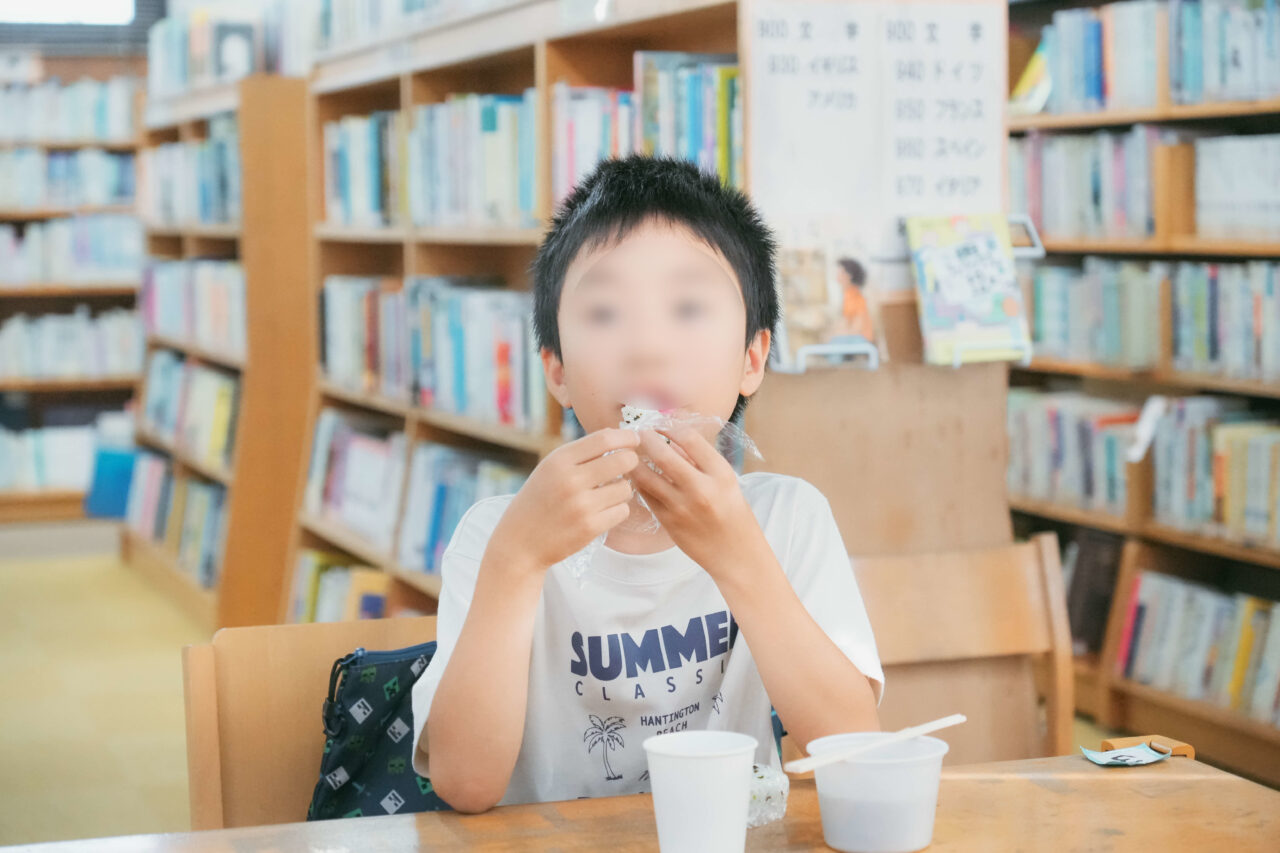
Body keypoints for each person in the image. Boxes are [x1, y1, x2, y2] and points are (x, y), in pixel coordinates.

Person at [412, 155, 883, 813]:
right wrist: (518, 561)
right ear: (557, 371)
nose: (647, 346)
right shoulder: (498, 534)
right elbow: (464, 783)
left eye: (688, 307)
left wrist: (740, 558)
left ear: (753, 357)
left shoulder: (786, 517)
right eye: (605, 313)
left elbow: (854, 749)